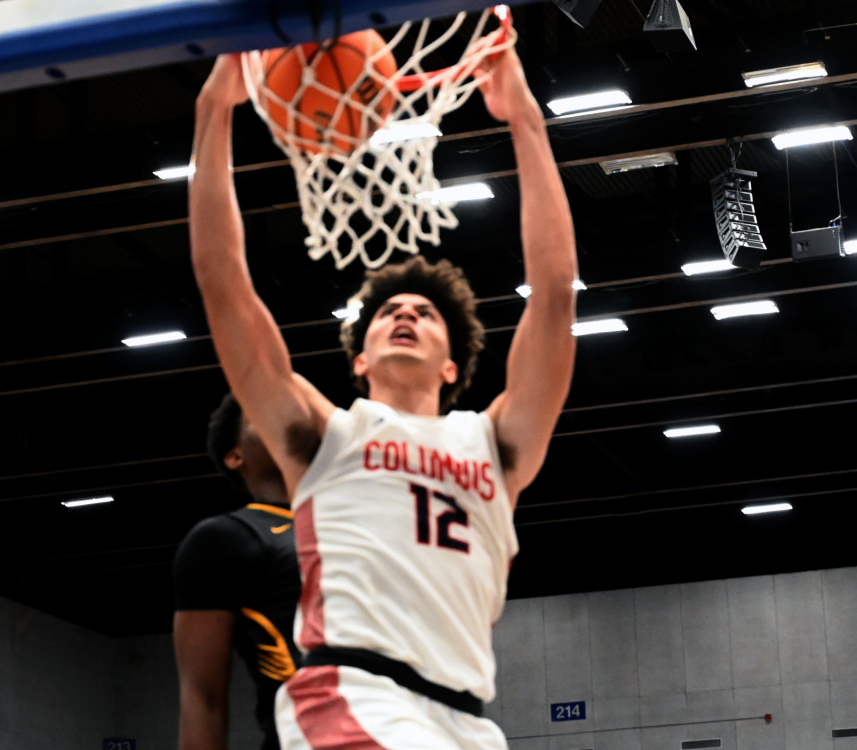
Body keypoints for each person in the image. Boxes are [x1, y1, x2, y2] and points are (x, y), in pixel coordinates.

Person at [188, 38, 577, 749]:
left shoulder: (495, 444)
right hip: (349, 695)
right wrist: (212, 110)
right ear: (359, 361)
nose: (405, 314)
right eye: (387, 314)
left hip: (465, 721)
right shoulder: (326, 436)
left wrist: (523, 116)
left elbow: (553, 297)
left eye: (425, 314)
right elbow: (223, 286)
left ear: (453, 368)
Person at [173, 393, 302, 750]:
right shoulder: (225, 540)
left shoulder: (367, 520)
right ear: (235, 455)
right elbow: (204, 699)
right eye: (262, 410)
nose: (283, 414)